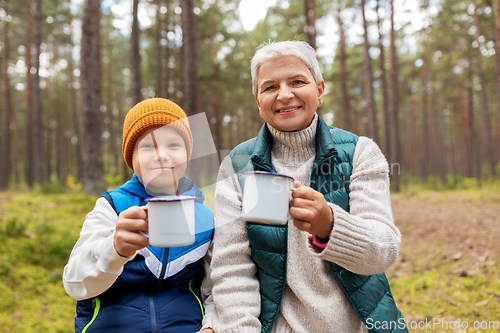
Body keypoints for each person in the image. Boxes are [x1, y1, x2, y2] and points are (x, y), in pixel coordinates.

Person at [210, 41, 408, 333]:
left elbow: (383, 250)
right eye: (270, 87)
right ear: (258, 102)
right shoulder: (238, 165)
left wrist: (330, 225)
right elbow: (232, 268)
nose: (285, 94)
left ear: (319, 90)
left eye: (297, 82)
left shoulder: (360, 153)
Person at [63, 98, 215, 333]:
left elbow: (218, 287)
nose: (161, 155)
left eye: (173, 145)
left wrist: (212, 326)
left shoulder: (205, 218)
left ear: (188, 154)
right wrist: (114, 250)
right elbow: (74, 283)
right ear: (130, 157)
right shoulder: (112, 207)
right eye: (148, 146)